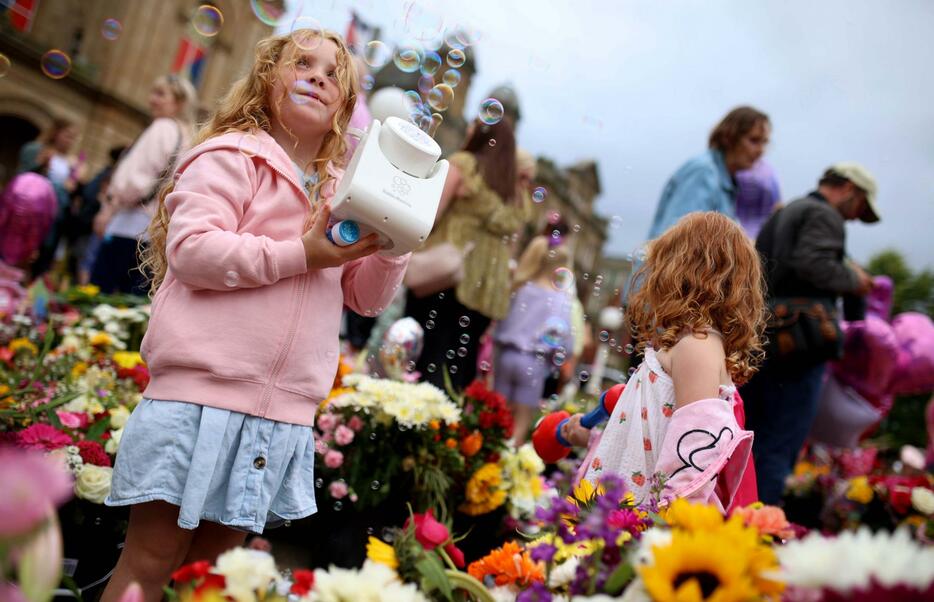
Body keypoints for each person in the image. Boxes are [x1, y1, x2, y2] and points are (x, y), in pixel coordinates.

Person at [100, 29, 405, 601]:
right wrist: (301, 254)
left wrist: (396, 241)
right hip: (198, 397)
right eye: (302, 64)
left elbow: (365, 297)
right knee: (152, 556)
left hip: (280, 413)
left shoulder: (347, 190)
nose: (318, 76)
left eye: (333, 73)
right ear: (267, 80)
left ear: (345, 103)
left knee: (211, 573)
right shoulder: (231, 157)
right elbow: (192, 250)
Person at [563, 213, 765, 512]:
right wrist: (593, 438)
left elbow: (695, 449)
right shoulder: (687, 343)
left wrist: (665, 526)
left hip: (652, 522)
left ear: (681, 270)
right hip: (627, 516)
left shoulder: (698, 346)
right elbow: (652, 434)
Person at [741, 163, 880, 504]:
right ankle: (759, 528)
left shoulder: (784, 212)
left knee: (747, 437)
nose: (855, 217)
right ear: (848, 188)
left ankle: (728, 519)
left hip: (762, 336)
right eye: (861, 206)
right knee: (780, 442)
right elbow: (813, 264)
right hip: (800, 344)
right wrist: (855, 280)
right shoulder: (825, 216)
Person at [405, 117, 531, 390]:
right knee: (462, 361)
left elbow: (431, 214)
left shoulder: (464, 164)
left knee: (427, 353)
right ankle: (448, 425)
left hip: (447, 272)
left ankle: (417, 419)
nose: (468, 130)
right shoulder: (513, 189)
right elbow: (513, 239)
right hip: (487, 285)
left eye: (473, 127)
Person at [91, 74, 198, 295]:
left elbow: (133, 181)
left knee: (100, 294)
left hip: (128, 225)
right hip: (154, 231)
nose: (152, 100)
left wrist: (110, 206)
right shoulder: (186, 135)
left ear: (178, 102)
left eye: (160, 94)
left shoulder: (162, 128)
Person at [493, 235, 575, 444]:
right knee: (521, 424)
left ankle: (489, 454)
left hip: (506, 356)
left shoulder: (520, 288)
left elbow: (502, 322)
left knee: (497, 417)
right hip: (533, 362)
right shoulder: (560, 298)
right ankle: (509, 462)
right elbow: (564, 341)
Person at [648, 106, 770, 239]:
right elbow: (678, 240)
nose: (761, 150)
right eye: (754, 140)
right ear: (728, 137)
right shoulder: (703, 172)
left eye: (764, 143)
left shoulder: (727, 181)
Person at [735, 159, 781, 239]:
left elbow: (777, 205)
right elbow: (778, 205)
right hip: (758, 235)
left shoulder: (767, 172)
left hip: (743, 233)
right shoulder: (768, 173)